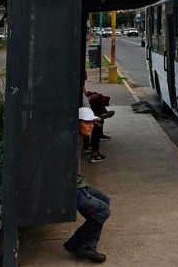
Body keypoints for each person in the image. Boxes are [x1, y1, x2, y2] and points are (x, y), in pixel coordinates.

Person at [64, 107, 111, 263]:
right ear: (77, 123)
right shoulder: (68, 141)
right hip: (67, 186)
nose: (91, 126)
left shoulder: (78, 139)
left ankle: (88, 245)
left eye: (92, 122)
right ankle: (75, 244)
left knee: (104, 201)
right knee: (102, 211)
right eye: (87, 122)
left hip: (76, 182)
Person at [81, 71, 113, 163]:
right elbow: (85, 102)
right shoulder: (79, 87)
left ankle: (101, 116)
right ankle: (95, 154)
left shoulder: (80, 85)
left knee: (98, 104)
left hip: (84, 109)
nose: (87, 75)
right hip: (83, 112)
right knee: (97, 125)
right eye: (85, 73)